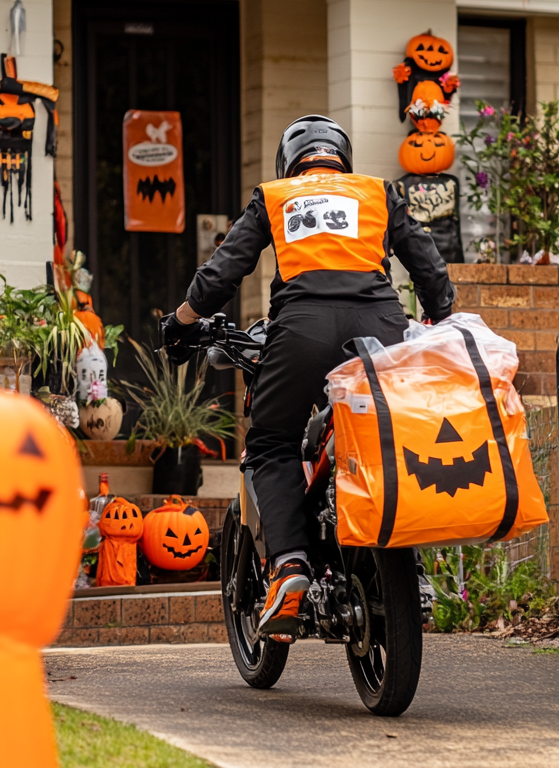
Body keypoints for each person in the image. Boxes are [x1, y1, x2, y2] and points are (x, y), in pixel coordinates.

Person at [161, 115, 455, 636]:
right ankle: (407, 558)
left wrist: (181, 322)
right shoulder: (376, 192)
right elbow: (428, 267)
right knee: (387, 436)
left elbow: (224, 272)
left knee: (272, 444)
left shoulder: (275, 196)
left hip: (301, 330)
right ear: (342, 157)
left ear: (288, 161)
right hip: (381, 329)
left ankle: (291, 566)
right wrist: (440, 317)